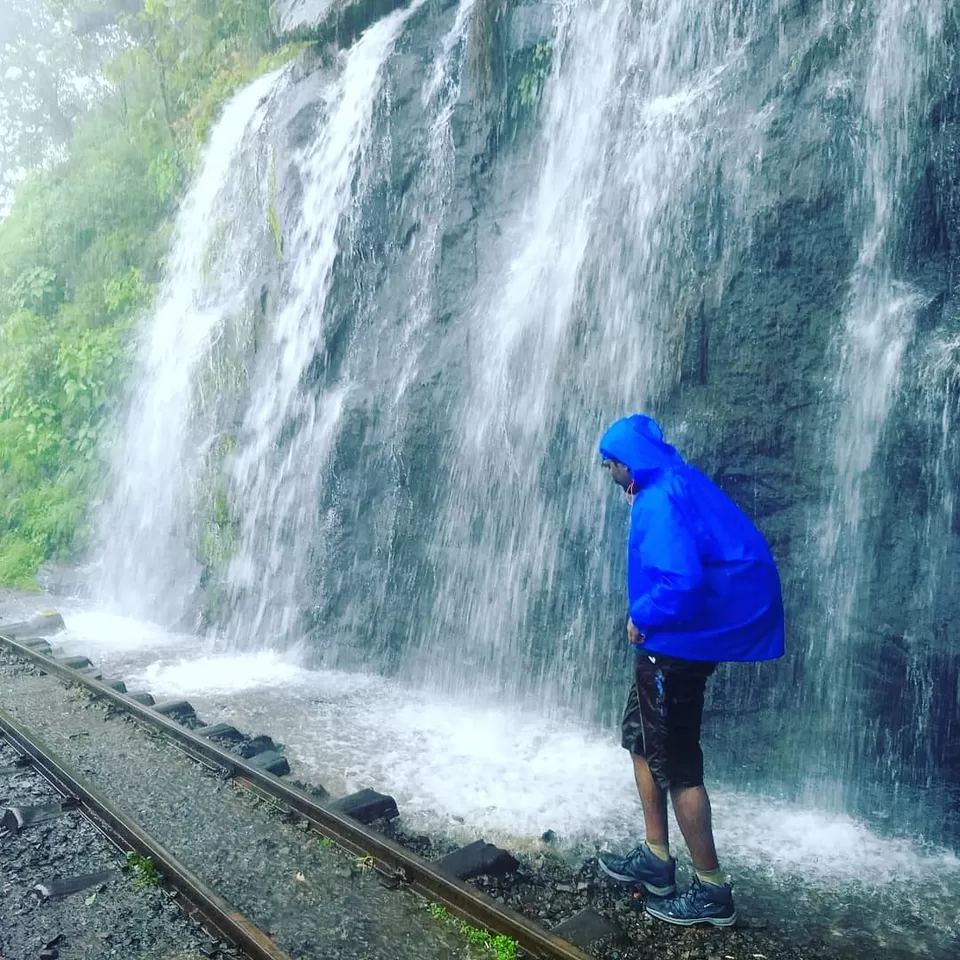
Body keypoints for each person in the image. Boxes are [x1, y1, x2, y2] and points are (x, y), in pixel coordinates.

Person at [596, 414, 784, 927]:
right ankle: (656, 858)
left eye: (610, 464)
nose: (609, 473)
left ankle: (712, 890)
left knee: (678, 766)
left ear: (627, 462)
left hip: (674, 649)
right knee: (640, 740)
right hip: (671, 646)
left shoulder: (657, 500)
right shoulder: (676, 480)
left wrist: (641, 616)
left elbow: (680, 583)